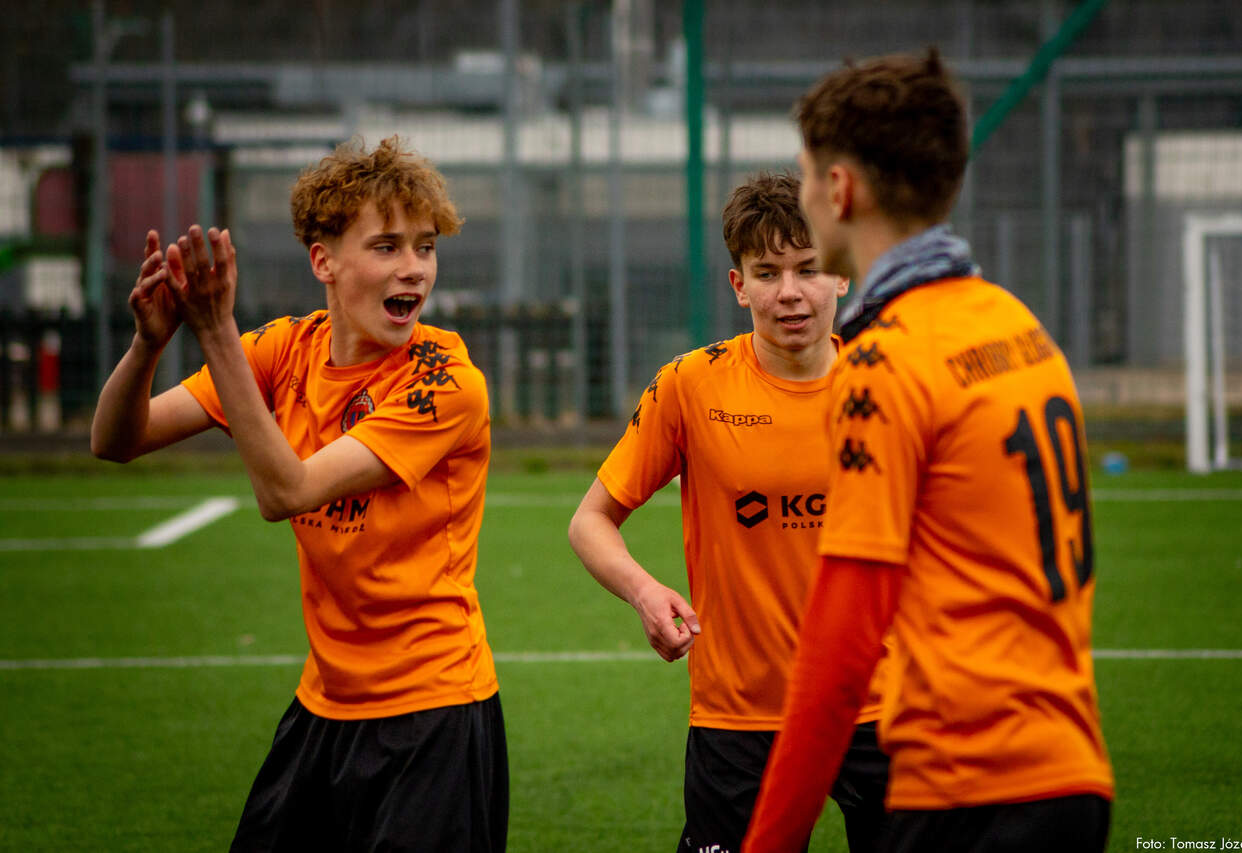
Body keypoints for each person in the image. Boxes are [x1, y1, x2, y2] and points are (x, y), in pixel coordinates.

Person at [742, 49, 1114, 853]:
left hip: (966, 789)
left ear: (840, 190)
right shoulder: (1017, 325)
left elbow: (840, 651)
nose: (803, 194)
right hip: (1072, 775)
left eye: (805, 176)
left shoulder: (884, 363)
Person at [90, 136, 507, 852]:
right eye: (386, 246)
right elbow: (116, 439)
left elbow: (288, 491)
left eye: (426, 247)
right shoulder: (286, 349)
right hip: (324, 706)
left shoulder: (447, 383)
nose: (413, 267)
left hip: (433, 715)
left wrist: (216, 330)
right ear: (323, 261)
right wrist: (149, 343)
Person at [568, 172, 892, 853]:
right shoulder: (691, 384)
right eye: (767, 273)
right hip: (741, 716)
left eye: (808, 269)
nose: (789, 292)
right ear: (739, 286)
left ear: (841, 274)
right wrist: (645, 592)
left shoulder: (891, 386)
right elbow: (590, 521)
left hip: (884, 706)